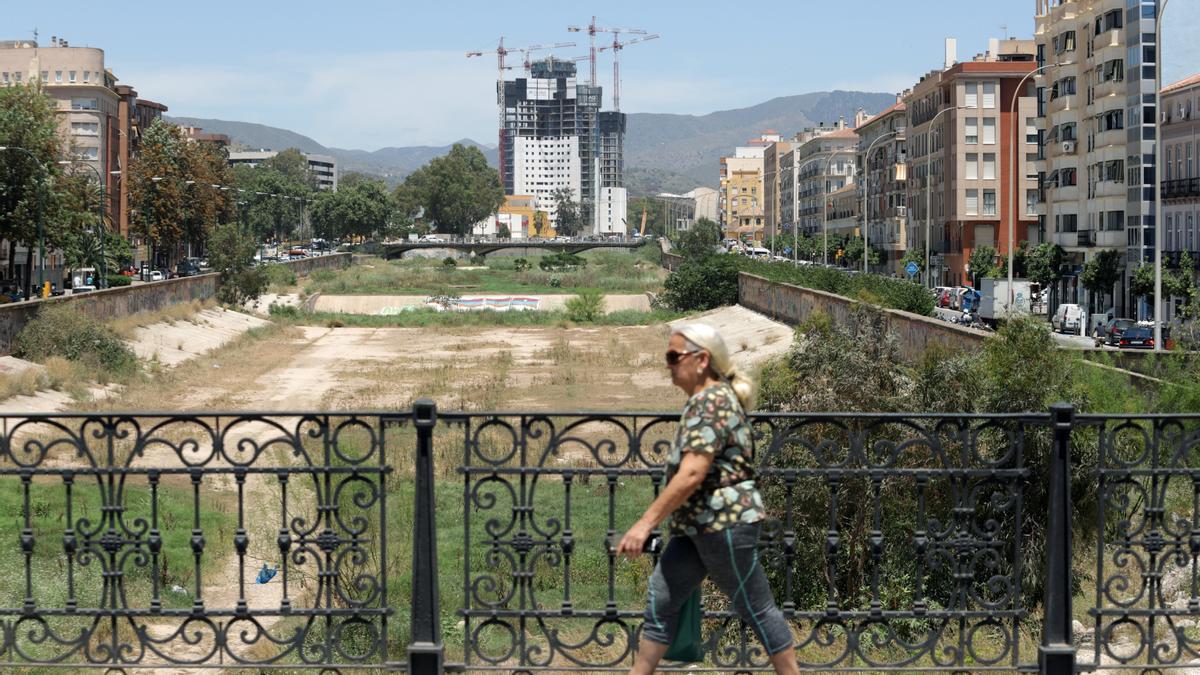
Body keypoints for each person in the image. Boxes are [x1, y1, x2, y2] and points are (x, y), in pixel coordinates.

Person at [617, 323, 799, 675]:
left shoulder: (712, 401)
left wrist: (644, 524)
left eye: (673, 356)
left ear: (701, 359)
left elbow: (692, 473)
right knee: (662, 600)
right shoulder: (704, 400)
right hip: (698, 525)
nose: (668, 364)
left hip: (724, 524)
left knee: (757, 609)